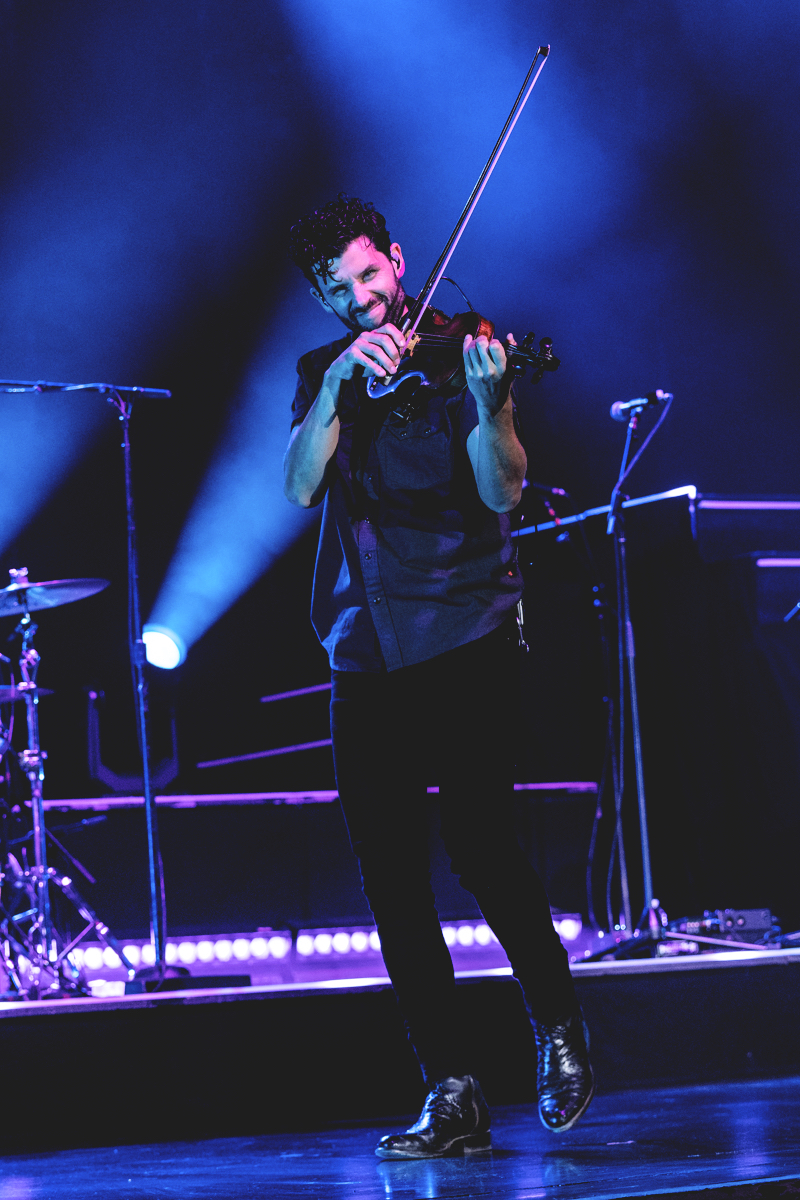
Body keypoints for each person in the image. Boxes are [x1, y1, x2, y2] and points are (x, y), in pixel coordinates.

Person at [284, 194, 593, 1159]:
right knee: (390, 878)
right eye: (339, 290)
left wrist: (492, 403)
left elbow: (503, 487)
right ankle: (451, 1089)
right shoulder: (323, 372)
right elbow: (299, 485)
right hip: (364, 650)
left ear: (398, 261)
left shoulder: (467, 348)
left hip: (464, 632)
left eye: (369, 276)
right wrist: (337, 389)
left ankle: (558, 1026)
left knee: (481, 847)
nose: (362, 302)